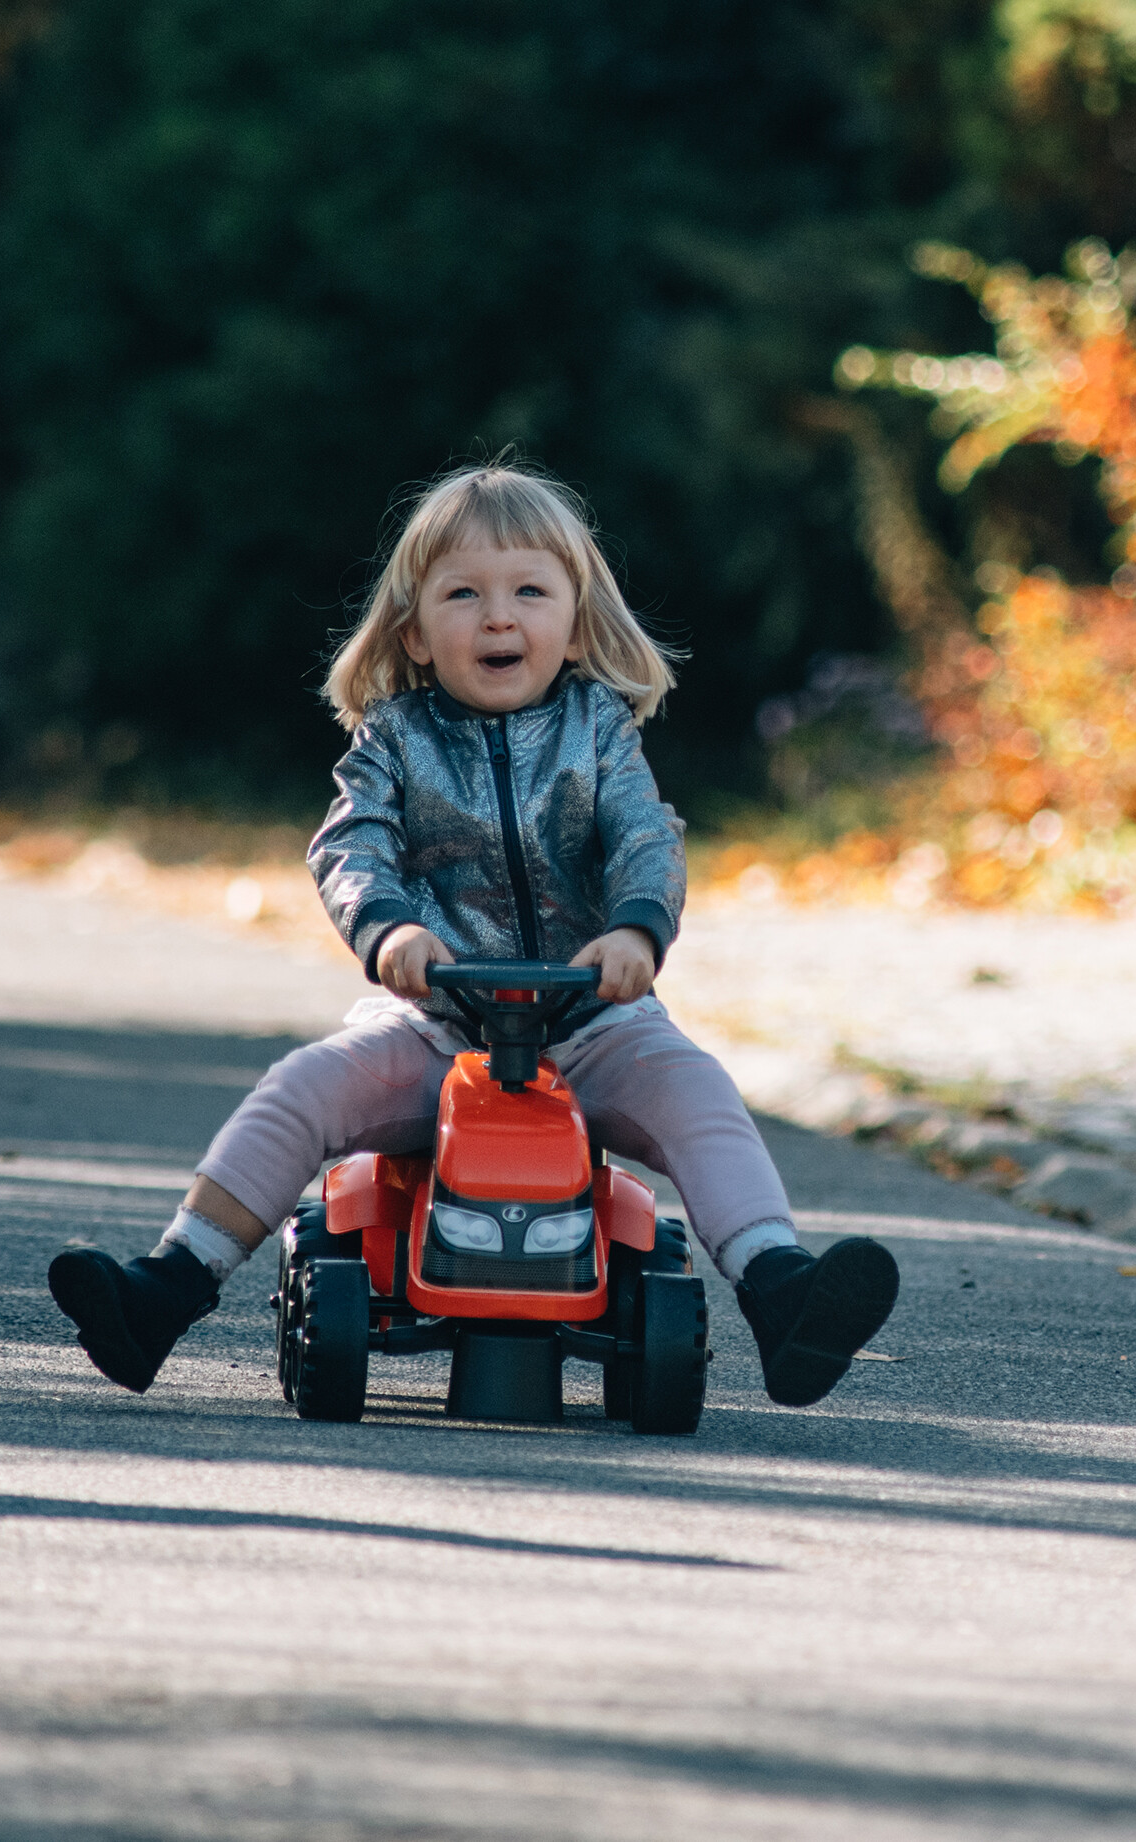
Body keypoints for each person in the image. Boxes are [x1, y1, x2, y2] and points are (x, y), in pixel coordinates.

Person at [48, 462, 898, 1404]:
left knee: (698, 1091)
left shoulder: (601, 733)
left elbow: (644, 837)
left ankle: (780, 1289)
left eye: (530, 591)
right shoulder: (393, 740)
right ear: (414, 630)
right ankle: (168, 1285)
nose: (499, 617)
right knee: (302, 1088)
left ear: (575, 623)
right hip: (434, 1023)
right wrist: (393, 932)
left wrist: (634, 933)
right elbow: (353, 844)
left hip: (592, 1023)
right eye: (464, 595)